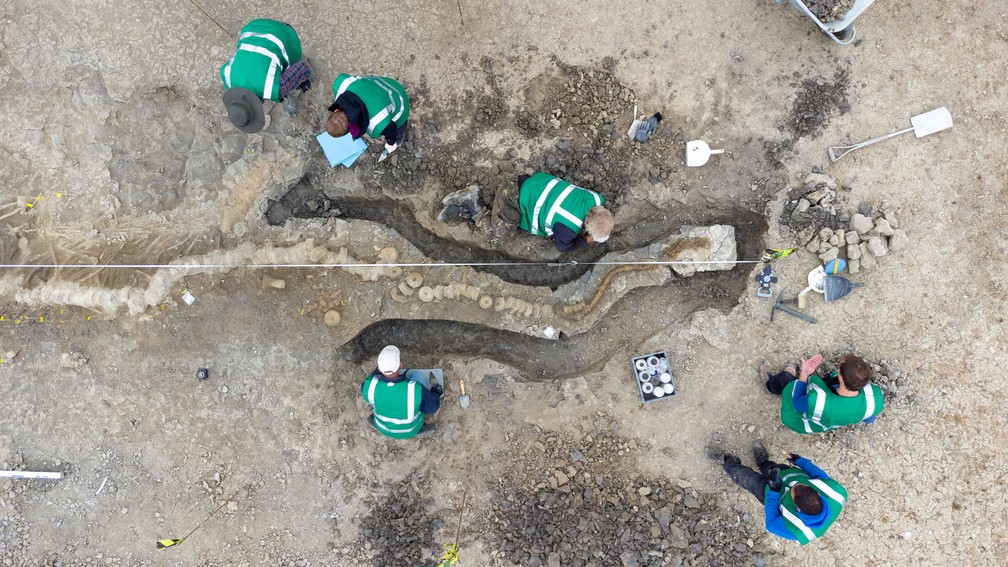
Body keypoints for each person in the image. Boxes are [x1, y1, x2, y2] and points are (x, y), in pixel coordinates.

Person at [706, 441, 847, 544]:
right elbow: (821, 477)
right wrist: (801, 462)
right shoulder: (837, 493)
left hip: (770, 495)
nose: (796, 484)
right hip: (788, 473)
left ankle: (728, 461)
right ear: (819, 495)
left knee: (743, 477)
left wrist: (773, 492)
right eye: (805, 485)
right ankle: (763, 462)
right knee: (772, 468)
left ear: (798, 508)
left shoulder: (797, 531)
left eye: (794, 490)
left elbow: (771, 523)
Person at [220, 19, 314, 133]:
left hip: (283, 33)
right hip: (254, 26)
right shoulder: (226, 76)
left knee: (291, 83)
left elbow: (302, 66)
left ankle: (292, 95)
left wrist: (305, 78)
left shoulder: (276, 88)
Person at [491, 172, 615, 252]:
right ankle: (477, 210)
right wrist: (590, 239)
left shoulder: (597, 198)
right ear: (588, 227)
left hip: (526, 181)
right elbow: (564, 247)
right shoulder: (568, 228)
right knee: (498, 237)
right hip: (512, 197)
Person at [761, 353, 884, 434]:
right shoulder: (874, 400)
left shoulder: (817, 401)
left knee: (788, 383)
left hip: (799, 419)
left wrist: (804, 374)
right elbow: (870, 418)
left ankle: (772, 385)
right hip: (829, 418)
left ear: (841, 377)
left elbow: (797, 403)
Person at [360, 345, 442, 439]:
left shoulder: (368, 387)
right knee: (419, 375)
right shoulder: (414, 390)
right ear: (400, 365)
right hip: (410, 430)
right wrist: (436, 392)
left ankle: (379, 423)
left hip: (382, 428)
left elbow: (371, 379)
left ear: (379, 369)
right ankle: (418, 430)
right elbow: (432, 407)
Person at [325, 73, 410, 160]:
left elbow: (391, 129)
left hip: (399, 101)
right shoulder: (340, 85)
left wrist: (391, 143)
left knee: (399, 128)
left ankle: (398, 140)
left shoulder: (377, 123)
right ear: (336, 110)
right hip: (383, 85)